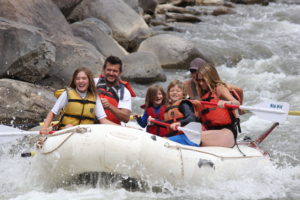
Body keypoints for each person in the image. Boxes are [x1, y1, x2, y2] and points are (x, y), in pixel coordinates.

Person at [40, 67, 116, 134]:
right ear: (74, 81)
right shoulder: (67, 94)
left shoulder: (95, 97)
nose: (80, 81)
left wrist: (122, 128)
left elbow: (103, 121)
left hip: (85, 133)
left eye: (84, 78)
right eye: (78, 78)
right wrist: (44, 128)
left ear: (89, 81)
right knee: (69, 126)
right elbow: (52, 113)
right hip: (65, 131)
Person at [196, 63, 242, 147]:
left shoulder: (219, 88)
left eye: (203, 80)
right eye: (199, 80)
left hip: (227, 132)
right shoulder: (203, 94)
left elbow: (236, 103)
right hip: (212, 131)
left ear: (210, 78)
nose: (201, 83)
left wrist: (227, 103)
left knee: (194, 138)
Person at [94, 56, 136, 124]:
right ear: (103, 70)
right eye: (109, 70)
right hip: (91, 125)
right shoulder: (93, 83)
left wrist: (109, 106)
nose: (111, 73)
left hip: (112, 128)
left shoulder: (124, 92)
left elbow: (126, 118)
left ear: (120, 72)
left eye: (115, 71)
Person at [162, 80, 202, 146]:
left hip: (189, 138)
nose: (174, 93)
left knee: (163, 141)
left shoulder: (184, 104)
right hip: (178, 136)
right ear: (168, 93)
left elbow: (192, 118)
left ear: (183, 94)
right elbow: (168, 123)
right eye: (172, 91)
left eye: (178, 91)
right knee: (161, 139)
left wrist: (179, 123)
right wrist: (154, 121)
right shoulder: (170, 107)